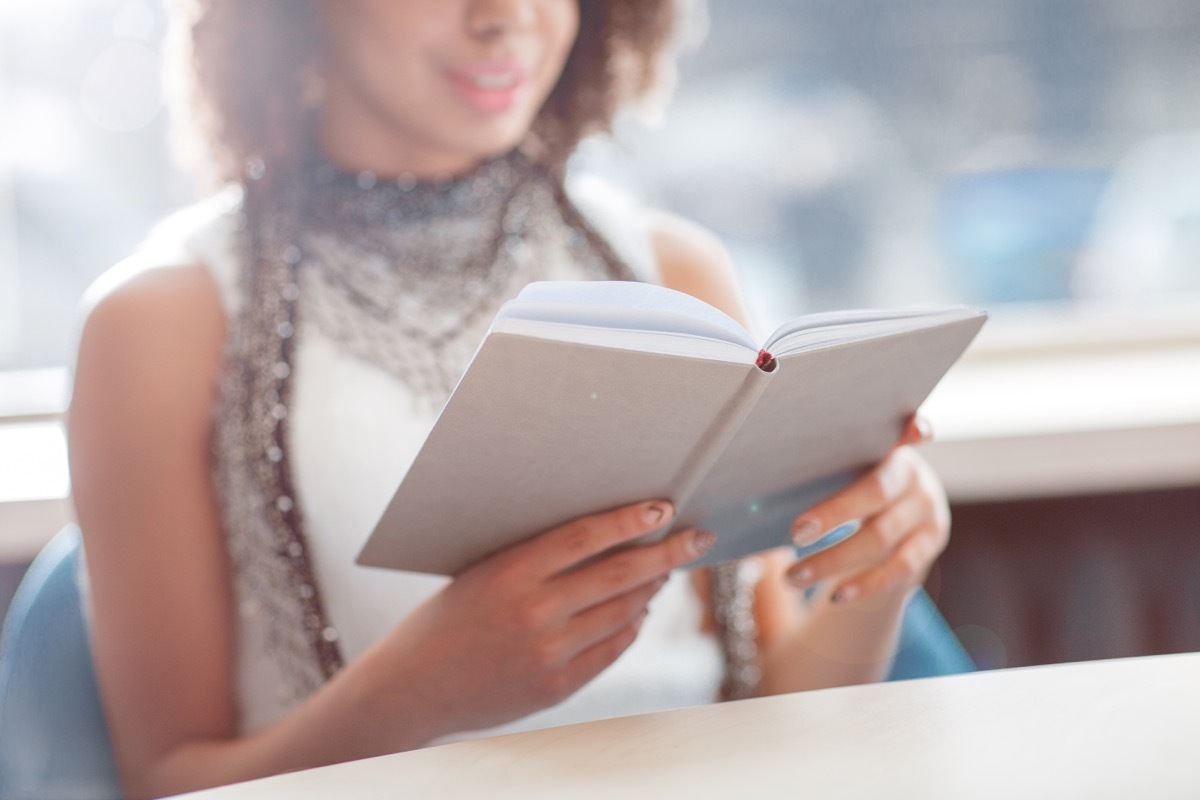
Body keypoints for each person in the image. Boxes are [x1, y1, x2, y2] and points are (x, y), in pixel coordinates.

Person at [67, 1, 952, 797]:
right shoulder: (161, 323)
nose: (508, 15)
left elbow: (777, 729)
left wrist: (878, 577)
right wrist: (413, 696)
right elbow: (168, 782)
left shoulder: (677, 271)